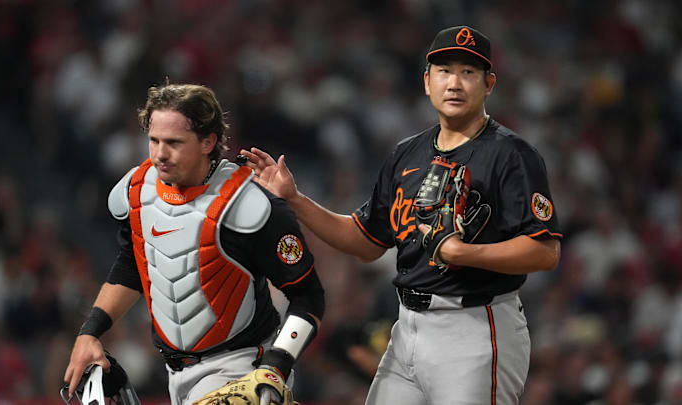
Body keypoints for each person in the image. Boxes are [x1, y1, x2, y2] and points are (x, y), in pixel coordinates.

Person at [242, 25, 562, 405]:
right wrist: (294, 199)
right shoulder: (406, 154)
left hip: (477, 327)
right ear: (427, 82)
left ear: (489, 83)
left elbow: (545, 252)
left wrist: (463, 254)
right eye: (444, 71)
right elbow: (364, 243)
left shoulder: (512, 155)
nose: (455, 83)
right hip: (407, 326)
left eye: (468, 72)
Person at [63, 83, 325, 405]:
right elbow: (133, 265)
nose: (160, 154)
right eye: (154, 140)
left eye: (174, 142)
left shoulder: (250, 205)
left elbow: (308, 295)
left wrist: (278, 365)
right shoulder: (136, 191)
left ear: (208, 142)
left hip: (241, 370)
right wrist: (90, 331)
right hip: (173, 374)